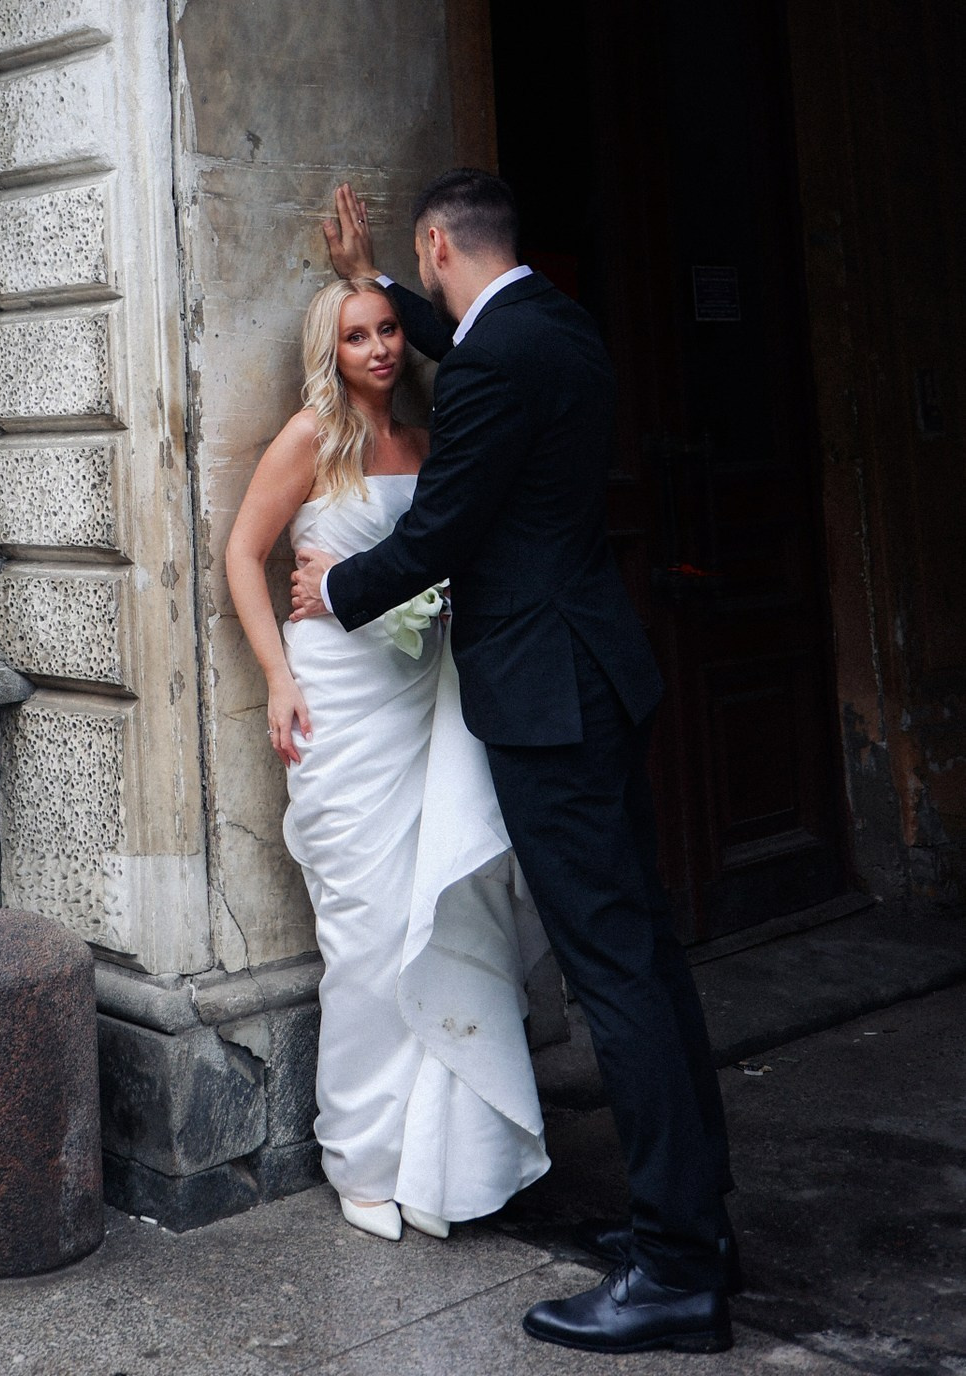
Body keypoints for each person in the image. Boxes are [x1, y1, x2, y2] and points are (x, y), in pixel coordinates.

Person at [292, 173, 736, 1356]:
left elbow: (441, 530)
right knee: (647, 954)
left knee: (615, 973)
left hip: (548, 700)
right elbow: (462, 340)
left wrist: (335, 586)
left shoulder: (496, 361)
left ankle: (677, 1268)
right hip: (601, 672)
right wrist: (369, 279)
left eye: (418, 274)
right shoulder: (561, 325)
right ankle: (700, 1220)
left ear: (440, 243)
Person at [224, 272, 551, 1245]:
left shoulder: (429, 441)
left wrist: (419, 595)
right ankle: (359, 1155)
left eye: (388, 330)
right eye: (355, 335)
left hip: (425, 698)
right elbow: (243, 554)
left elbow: (448, 555)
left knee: (439, 911)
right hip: (339, 703)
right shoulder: (310, 438)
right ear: (329, 352)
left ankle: (439, 1153)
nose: (377, 348)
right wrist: (277, 678)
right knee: (365, 933)